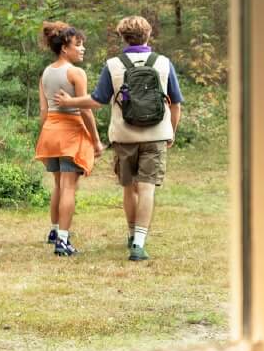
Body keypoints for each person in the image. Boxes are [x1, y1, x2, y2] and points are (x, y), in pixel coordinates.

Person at [54, 14, 181, 262]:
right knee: (146, 188)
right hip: (156, 135)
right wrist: (171, 132)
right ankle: (139, 243)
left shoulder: (113, 64)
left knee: (128, 187)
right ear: (148, 35)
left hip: (124, 136)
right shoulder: (164, 63)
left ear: (122, 37)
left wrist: (70, 102)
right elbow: (175, 104)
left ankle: (132, 233)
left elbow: (97, 101)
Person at [33, 21, 103, 257]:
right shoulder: (75, 72)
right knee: (69, 187)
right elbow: (84, 109)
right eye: (78, 45)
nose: (82, 49)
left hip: (51, 132)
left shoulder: (46, 72)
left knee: (58, 185)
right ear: (65, 47)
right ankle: (63, 240)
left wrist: (45, 134)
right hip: (71, 133)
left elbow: (44, 111)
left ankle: (54, 230)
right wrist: (95, 140)